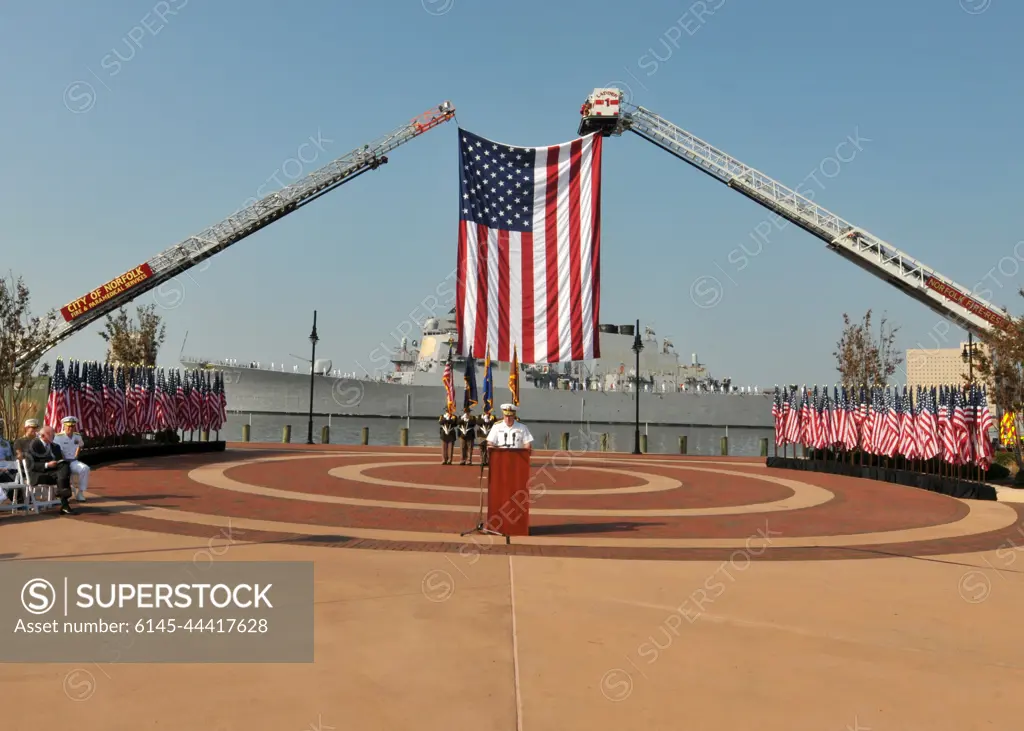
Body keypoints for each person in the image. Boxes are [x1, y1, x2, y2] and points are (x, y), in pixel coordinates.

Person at [24, 425, 76, 515]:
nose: (54, 436)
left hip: (54, 473)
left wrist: (57, 463)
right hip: (39, 474)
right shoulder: (33, 446)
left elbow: (60, 462)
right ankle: (64, 503)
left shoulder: (56, 446)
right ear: (43, 436)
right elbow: (30, 464)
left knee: (64, 466)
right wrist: (47, 465)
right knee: (63, 477)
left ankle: (62, 495)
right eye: (52, 434)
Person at [54, 416, 90, 501]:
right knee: (64, 472)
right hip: (62, 462)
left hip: (73, 461)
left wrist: (76, 454)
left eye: (72, 426)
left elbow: (80, 445)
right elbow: (58, 451)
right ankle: (65, 494)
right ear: (64, 426)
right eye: (68, 426)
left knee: (85, 468)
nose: (70, 428)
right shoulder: (58, 437)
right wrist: (64, 461)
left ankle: (80, 493)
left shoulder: (77, 436)